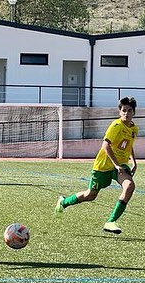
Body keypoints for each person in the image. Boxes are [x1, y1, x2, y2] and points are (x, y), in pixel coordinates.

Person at [56, 96, 138, 235]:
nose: (126, 113)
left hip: (119, 166)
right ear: (119, 112)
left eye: (129, 110)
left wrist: (134, 162)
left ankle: (110, 221)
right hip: (103, 166)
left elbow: (129, 145)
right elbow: (105, 145)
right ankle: (63, 202)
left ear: (133, 112)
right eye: (123, 110)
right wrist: (116, 164)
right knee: (90, 195)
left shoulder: (134, 129)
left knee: (129, 186)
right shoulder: (116, 126)